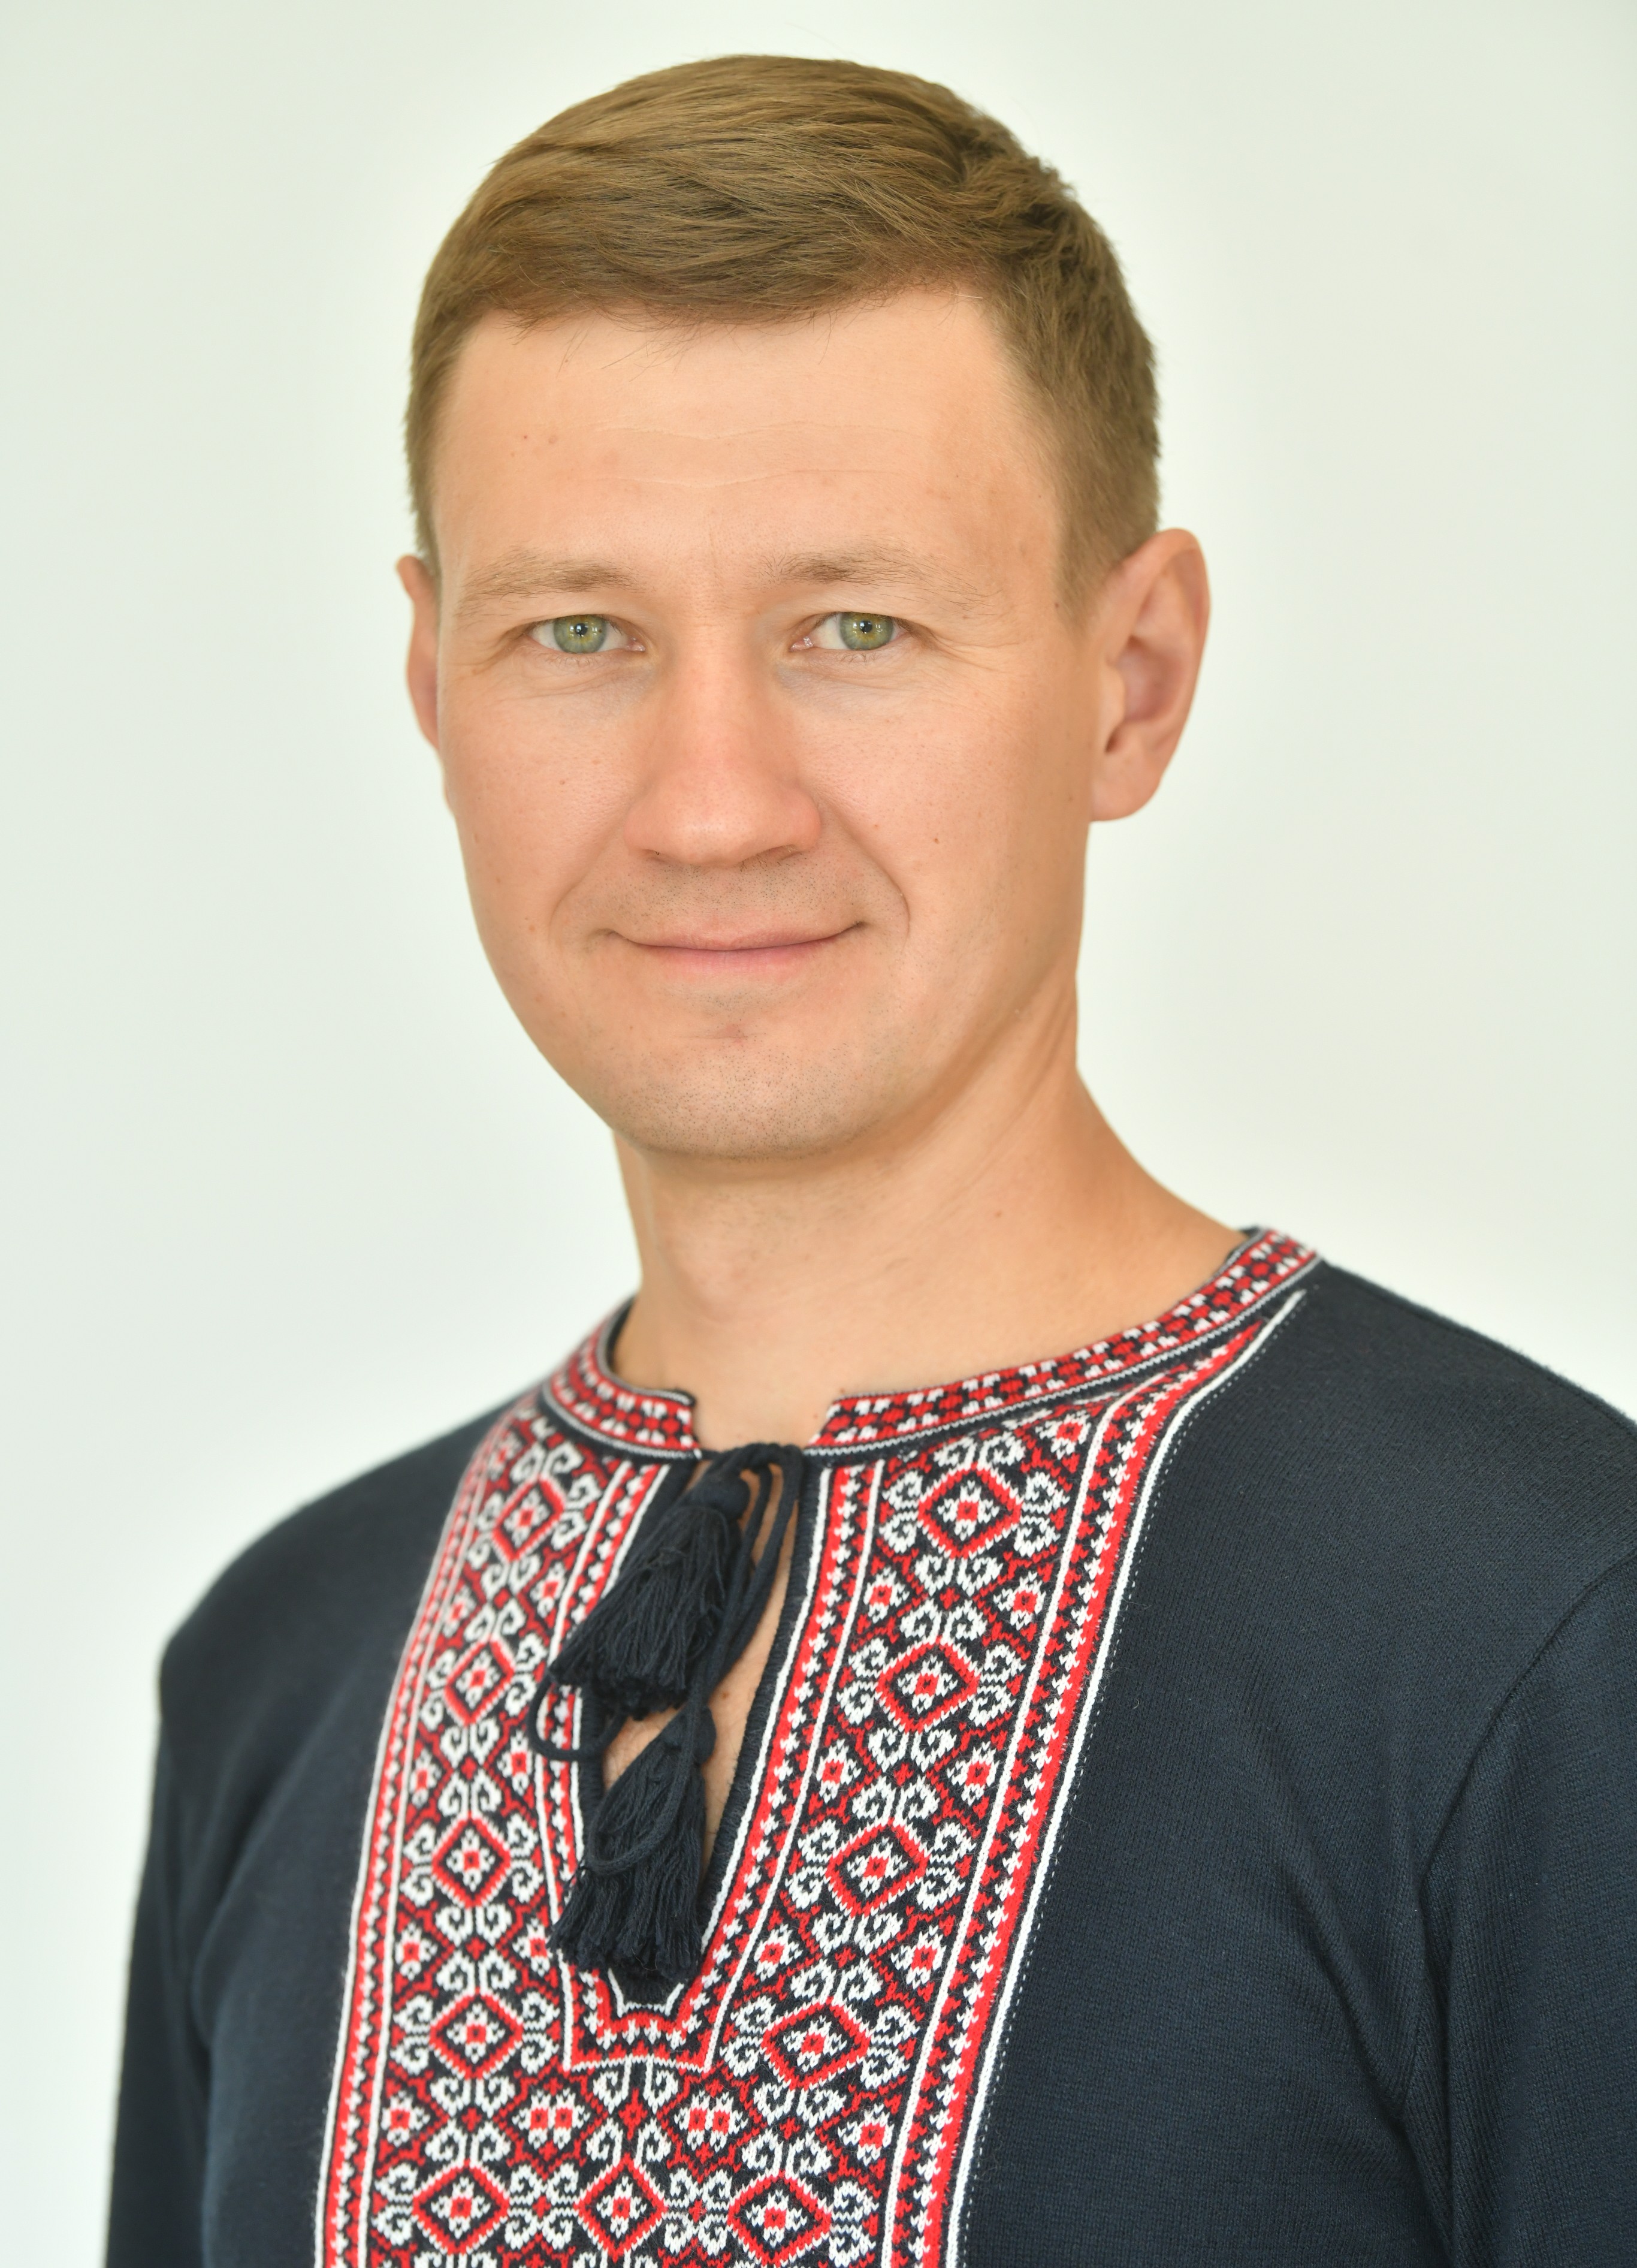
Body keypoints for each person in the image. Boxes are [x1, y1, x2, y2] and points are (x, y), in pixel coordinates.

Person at [108, 54, 1636, 2268]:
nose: (711, 802)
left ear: (1131, 680)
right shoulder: (282, 1672)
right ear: (433, 685)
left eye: (855, 629)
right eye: (578, 633)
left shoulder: (1537, 1634)